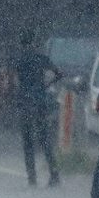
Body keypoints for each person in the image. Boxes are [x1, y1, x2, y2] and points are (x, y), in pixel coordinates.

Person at [13, 36, 62, 187]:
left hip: (25, 102)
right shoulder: (41, 58)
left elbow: (14, 81)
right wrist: (45, 86)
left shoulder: (19, 60)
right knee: (44, 138)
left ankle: (32, 177)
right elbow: (59, 74)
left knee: (27, 141)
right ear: (33, 43)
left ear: (21, 44)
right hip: (40, 101)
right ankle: (53, 174)